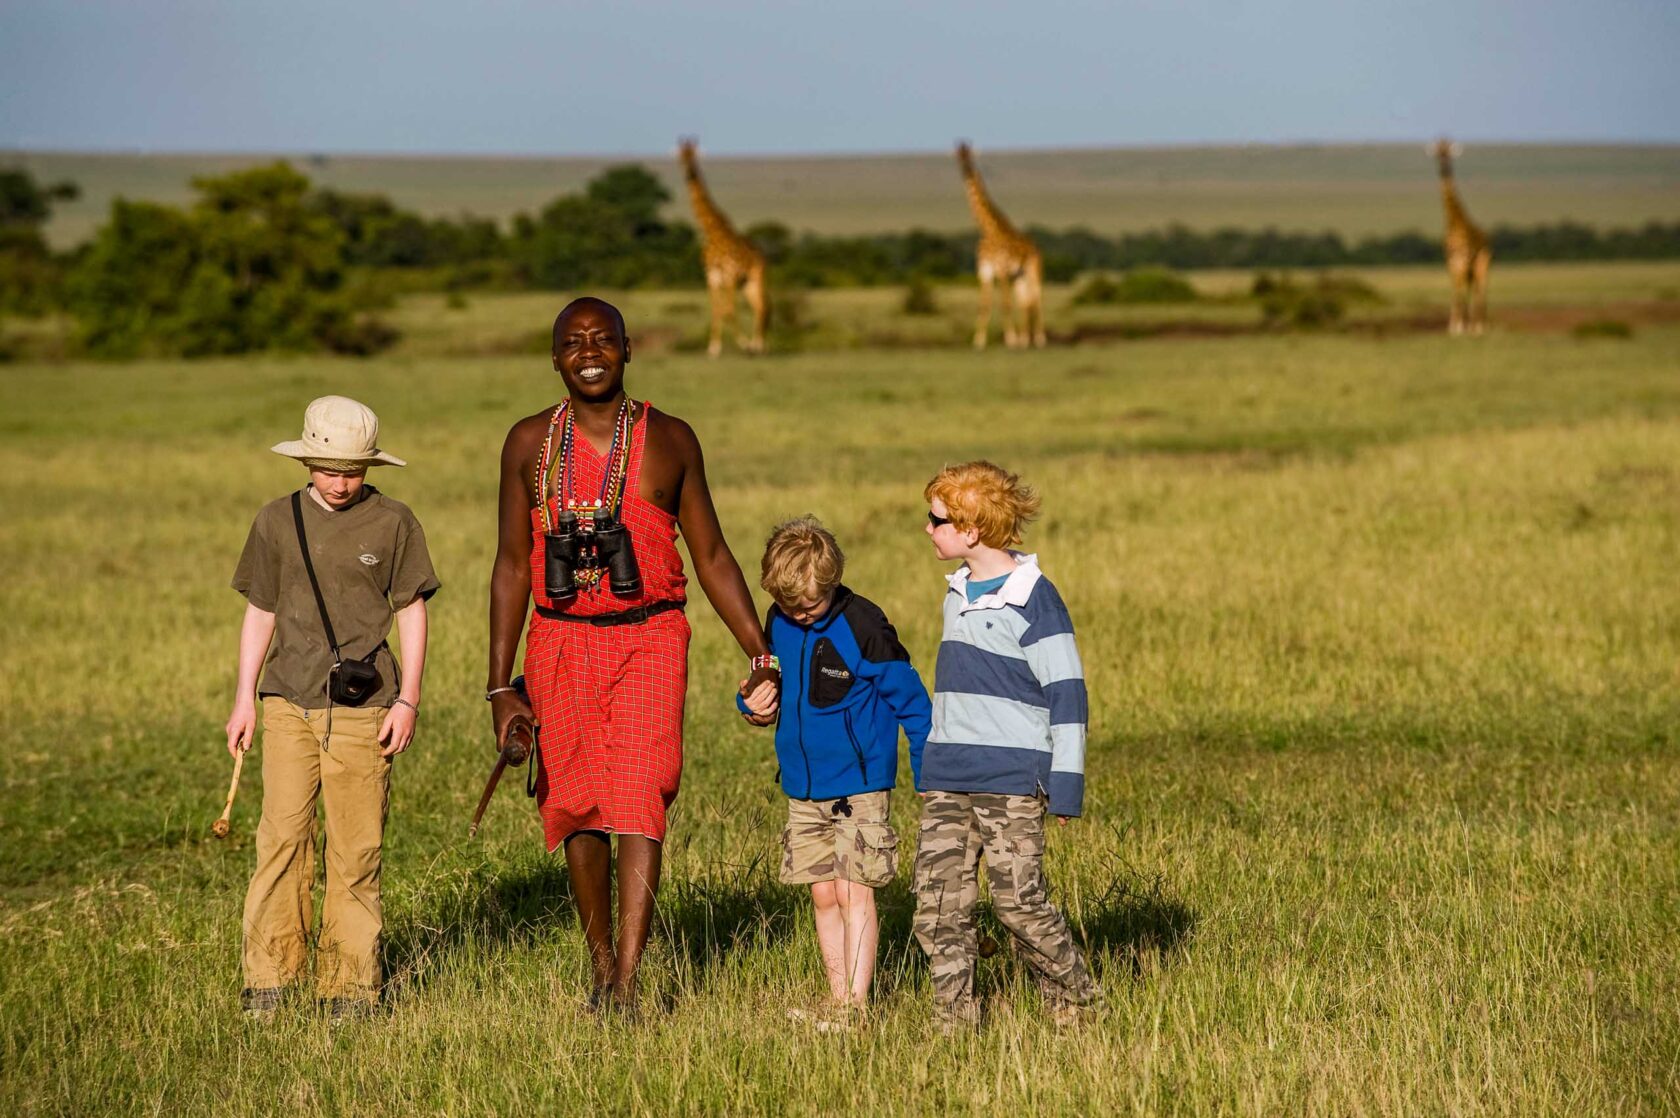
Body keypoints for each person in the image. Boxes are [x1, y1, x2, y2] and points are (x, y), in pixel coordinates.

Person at [487, 297, 779, 1015]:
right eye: (573, 341)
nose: (590, 352)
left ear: (627, 350)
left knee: (639, 796)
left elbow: (710, 555)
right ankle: (598, 965)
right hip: (558, 640)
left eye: (604, 340)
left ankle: (627, 979)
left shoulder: (670, 438)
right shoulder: (527, 443)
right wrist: (499, 687)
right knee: (575, 804)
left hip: (649, 635)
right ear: (554, 357)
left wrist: (761, 652)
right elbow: (512, 565)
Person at [225, 396, 438, 1020]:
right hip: (286, 698)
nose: (341, 482)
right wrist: (244, 699)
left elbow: (411, 612)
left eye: (353, 470)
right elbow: (259, 609)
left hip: (366, 705)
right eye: (328, 468)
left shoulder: (395, 522)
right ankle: (269, 978)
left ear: (370, 466)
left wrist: (409, 699)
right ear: (306, 460)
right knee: (282, 838)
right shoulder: (274, 520)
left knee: (356, 847)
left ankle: (349, 987)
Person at [912, 460, 1098, 1029]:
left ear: (970, 531)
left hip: (1014, 783)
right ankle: (955, 1019)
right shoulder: (957, 591)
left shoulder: (1033, 598)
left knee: (1018, 903)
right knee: (938, 905)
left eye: (936, 519)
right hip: (948, 775)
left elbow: (1068, 692)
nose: (928, 529)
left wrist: (1065, 783)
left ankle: (1076, 1003)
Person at [739, 517, 931, 1026]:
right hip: (803, 786)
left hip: (860, 785)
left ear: (832, 583)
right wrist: (753, 704)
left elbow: (913, 702)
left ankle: (856, 1007)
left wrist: (928, 767)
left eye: (810, 606)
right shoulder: (778, 620)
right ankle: (837, 996)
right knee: (823, 894)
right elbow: (769, 686)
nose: (800, 616)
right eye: (788, 606)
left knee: (853, 890)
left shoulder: (863, 625)